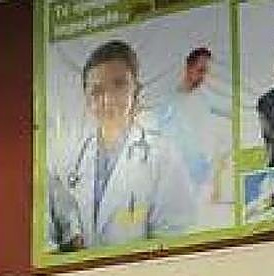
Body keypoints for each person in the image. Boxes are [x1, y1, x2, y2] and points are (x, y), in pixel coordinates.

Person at [49, 40, 196, 251]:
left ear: (136, 91)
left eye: (119, 85)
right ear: (86, 99)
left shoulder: (163, 157)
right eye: (96, 90)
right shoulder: (69, 160)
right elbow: (61, 230)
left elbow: (175, 234)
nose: (107, 100)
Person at [155, 46, 233, 228]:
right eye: (200, 70)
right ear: (188, 67)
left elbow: (213, 139)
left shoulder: (204, 101)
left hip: (203, 182)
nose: (203, 77)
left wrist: (214, 175)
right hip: (177, 182)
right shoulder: (169, 103)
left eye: (206, 72)